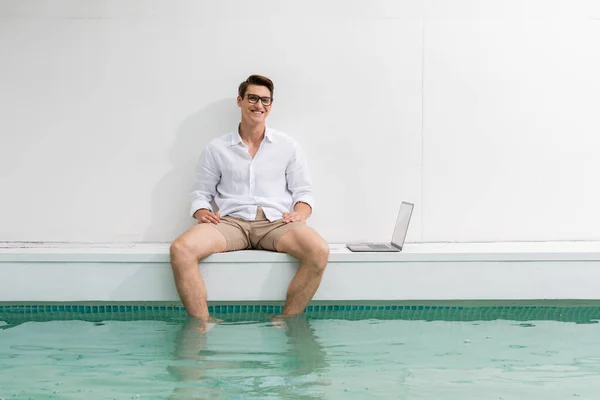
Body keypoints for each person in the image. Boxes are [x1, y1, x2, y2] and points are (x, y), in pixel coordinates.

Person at [169, 74, 330, 329]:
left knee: (319, 250)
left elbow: (304, 193)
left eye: (265, 100)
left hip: (276, 223)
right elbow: (201, 192)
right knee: (181, 249)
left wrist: (300, 213)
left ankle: (288, 320)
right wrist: (201, 211)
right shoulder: (217, 147)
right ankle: (201, 323)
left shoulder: (288, 146)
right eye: (253, 98)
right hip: (231, 223)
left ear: (271, 105)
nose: (259, 105)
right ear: (240, 101)